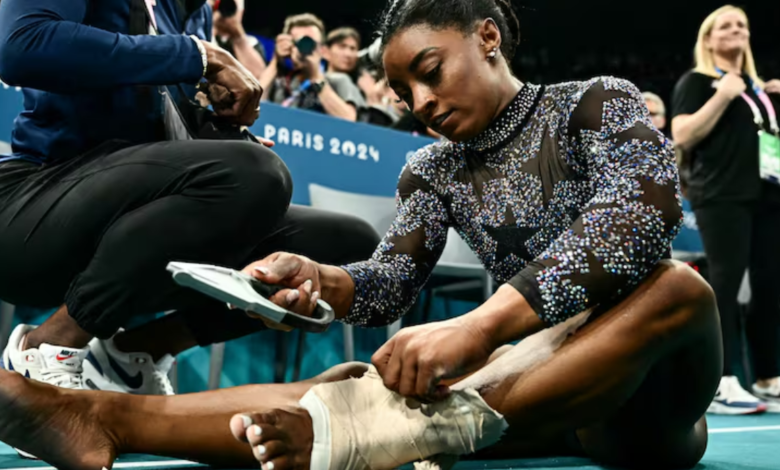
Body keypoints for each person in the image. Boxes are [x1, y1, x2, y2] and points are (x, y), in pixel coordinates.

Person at [0, 0, 721, 469]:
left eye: (431, 73)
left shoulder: (597, 102)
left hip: (648, 399)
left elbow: (639, 217)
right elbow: (385, 287)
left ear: (489, 37)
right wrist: (321, 279)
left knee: (679, 290)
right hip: (527, 390)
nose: (422, 103)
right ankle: (101, 416)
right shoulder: (430, 168)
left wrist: (481, 326)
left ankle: (380, 435)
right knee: (354, 380)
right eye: (406, 92)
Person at [0, 0, 379, 398]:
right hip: (34, 205)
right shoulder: (194, 36)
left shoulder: (187, 12)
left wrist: (219, 133)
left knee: (345, 245)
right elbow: (20, 44)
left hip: (132, 233)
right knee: (254, 173)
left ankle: (132, 354)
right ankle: (49, 345)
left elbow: (152, 129)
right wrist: (199, 55)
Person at [671, 4, 780, 415]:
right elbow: (682, 133)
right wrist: (723, 96)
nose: (737, 30)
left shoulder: (761, 90)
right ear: (709, 39)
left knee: (770, 286)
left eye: (743, 25)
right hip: (722, 196)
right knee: (726, 287)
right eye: (727, 25)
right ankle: (723, 380)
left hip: (769, 196)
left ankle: (769, 377)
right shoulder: (698, 81)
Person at [259, 14, 366, 121]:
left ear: (322, 50)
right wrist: (276, 60)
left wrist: (316, 76)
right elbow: (253, 105)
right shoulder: (282, 83)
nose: (305, 47)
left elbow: (349, 119)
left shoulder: (338, 81)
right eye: (299, 42)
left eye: (310, 43)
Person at [208, 0, 268, 79]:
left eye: (231, 6)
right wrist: (210, 25)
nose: (225, 10)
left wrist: (238, 37)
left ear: (241, 12)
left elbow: (258, 81)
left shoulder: (251, 42)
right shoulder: (202, 33)